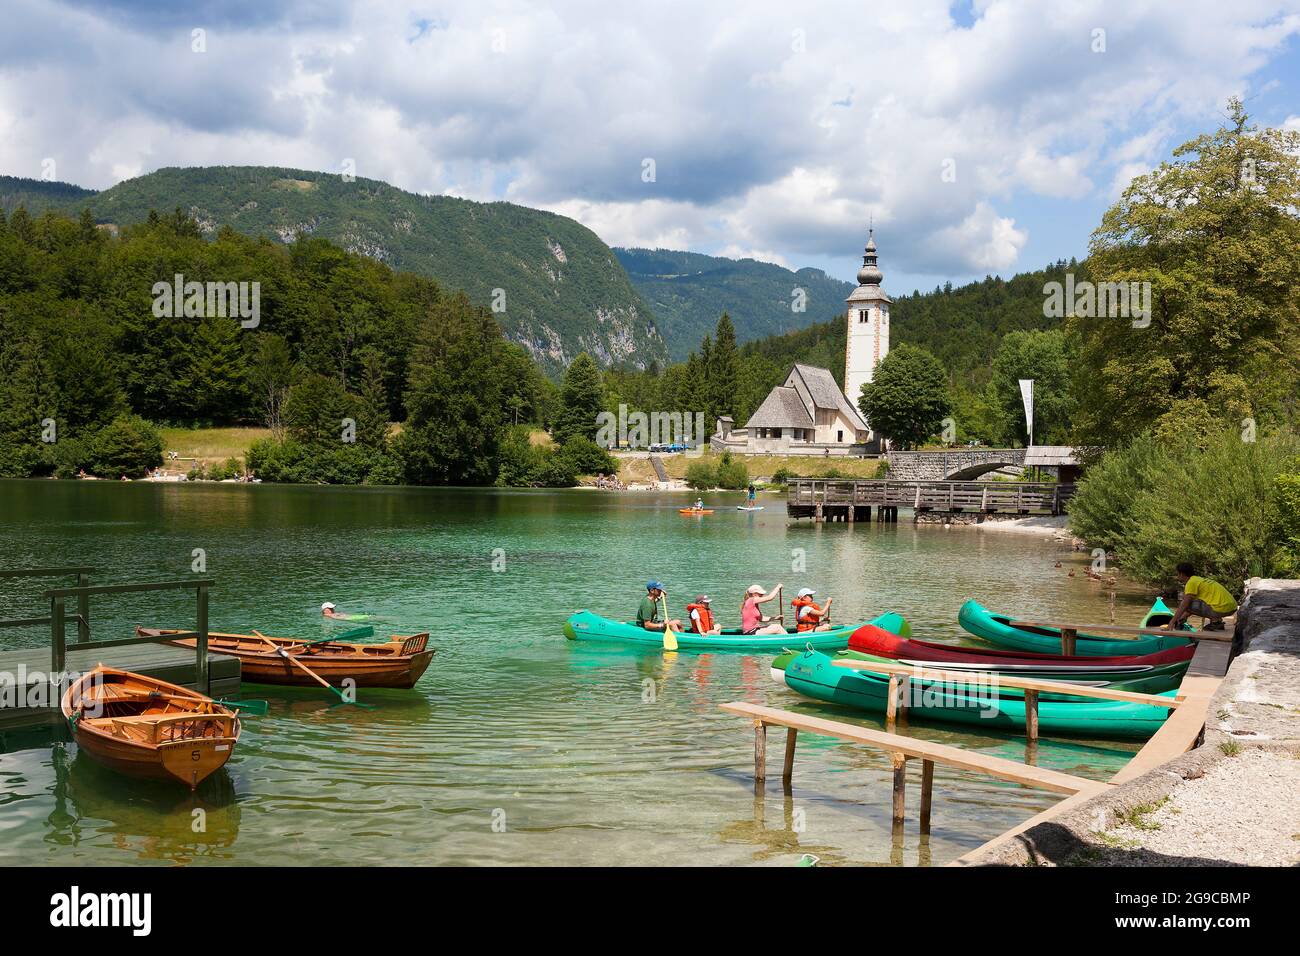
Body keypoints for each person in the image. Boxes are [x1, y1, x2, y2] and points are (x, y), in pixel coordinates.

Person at [1167, 563, 1236, 631]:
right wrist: (1181, 618)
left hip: (1220, 608)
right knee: (1192, 602)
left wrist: (1172, 622)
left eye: (1177, 574)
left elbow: (1185, 605)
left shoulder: (1191, 582)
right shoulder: (1198, 580)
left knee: (1185, 603)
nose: (1177, 576)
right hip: (1232, 608)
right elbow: (1192, 608)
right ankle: (1218, 622)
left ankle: (1216, 622)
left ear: (1182, 574)